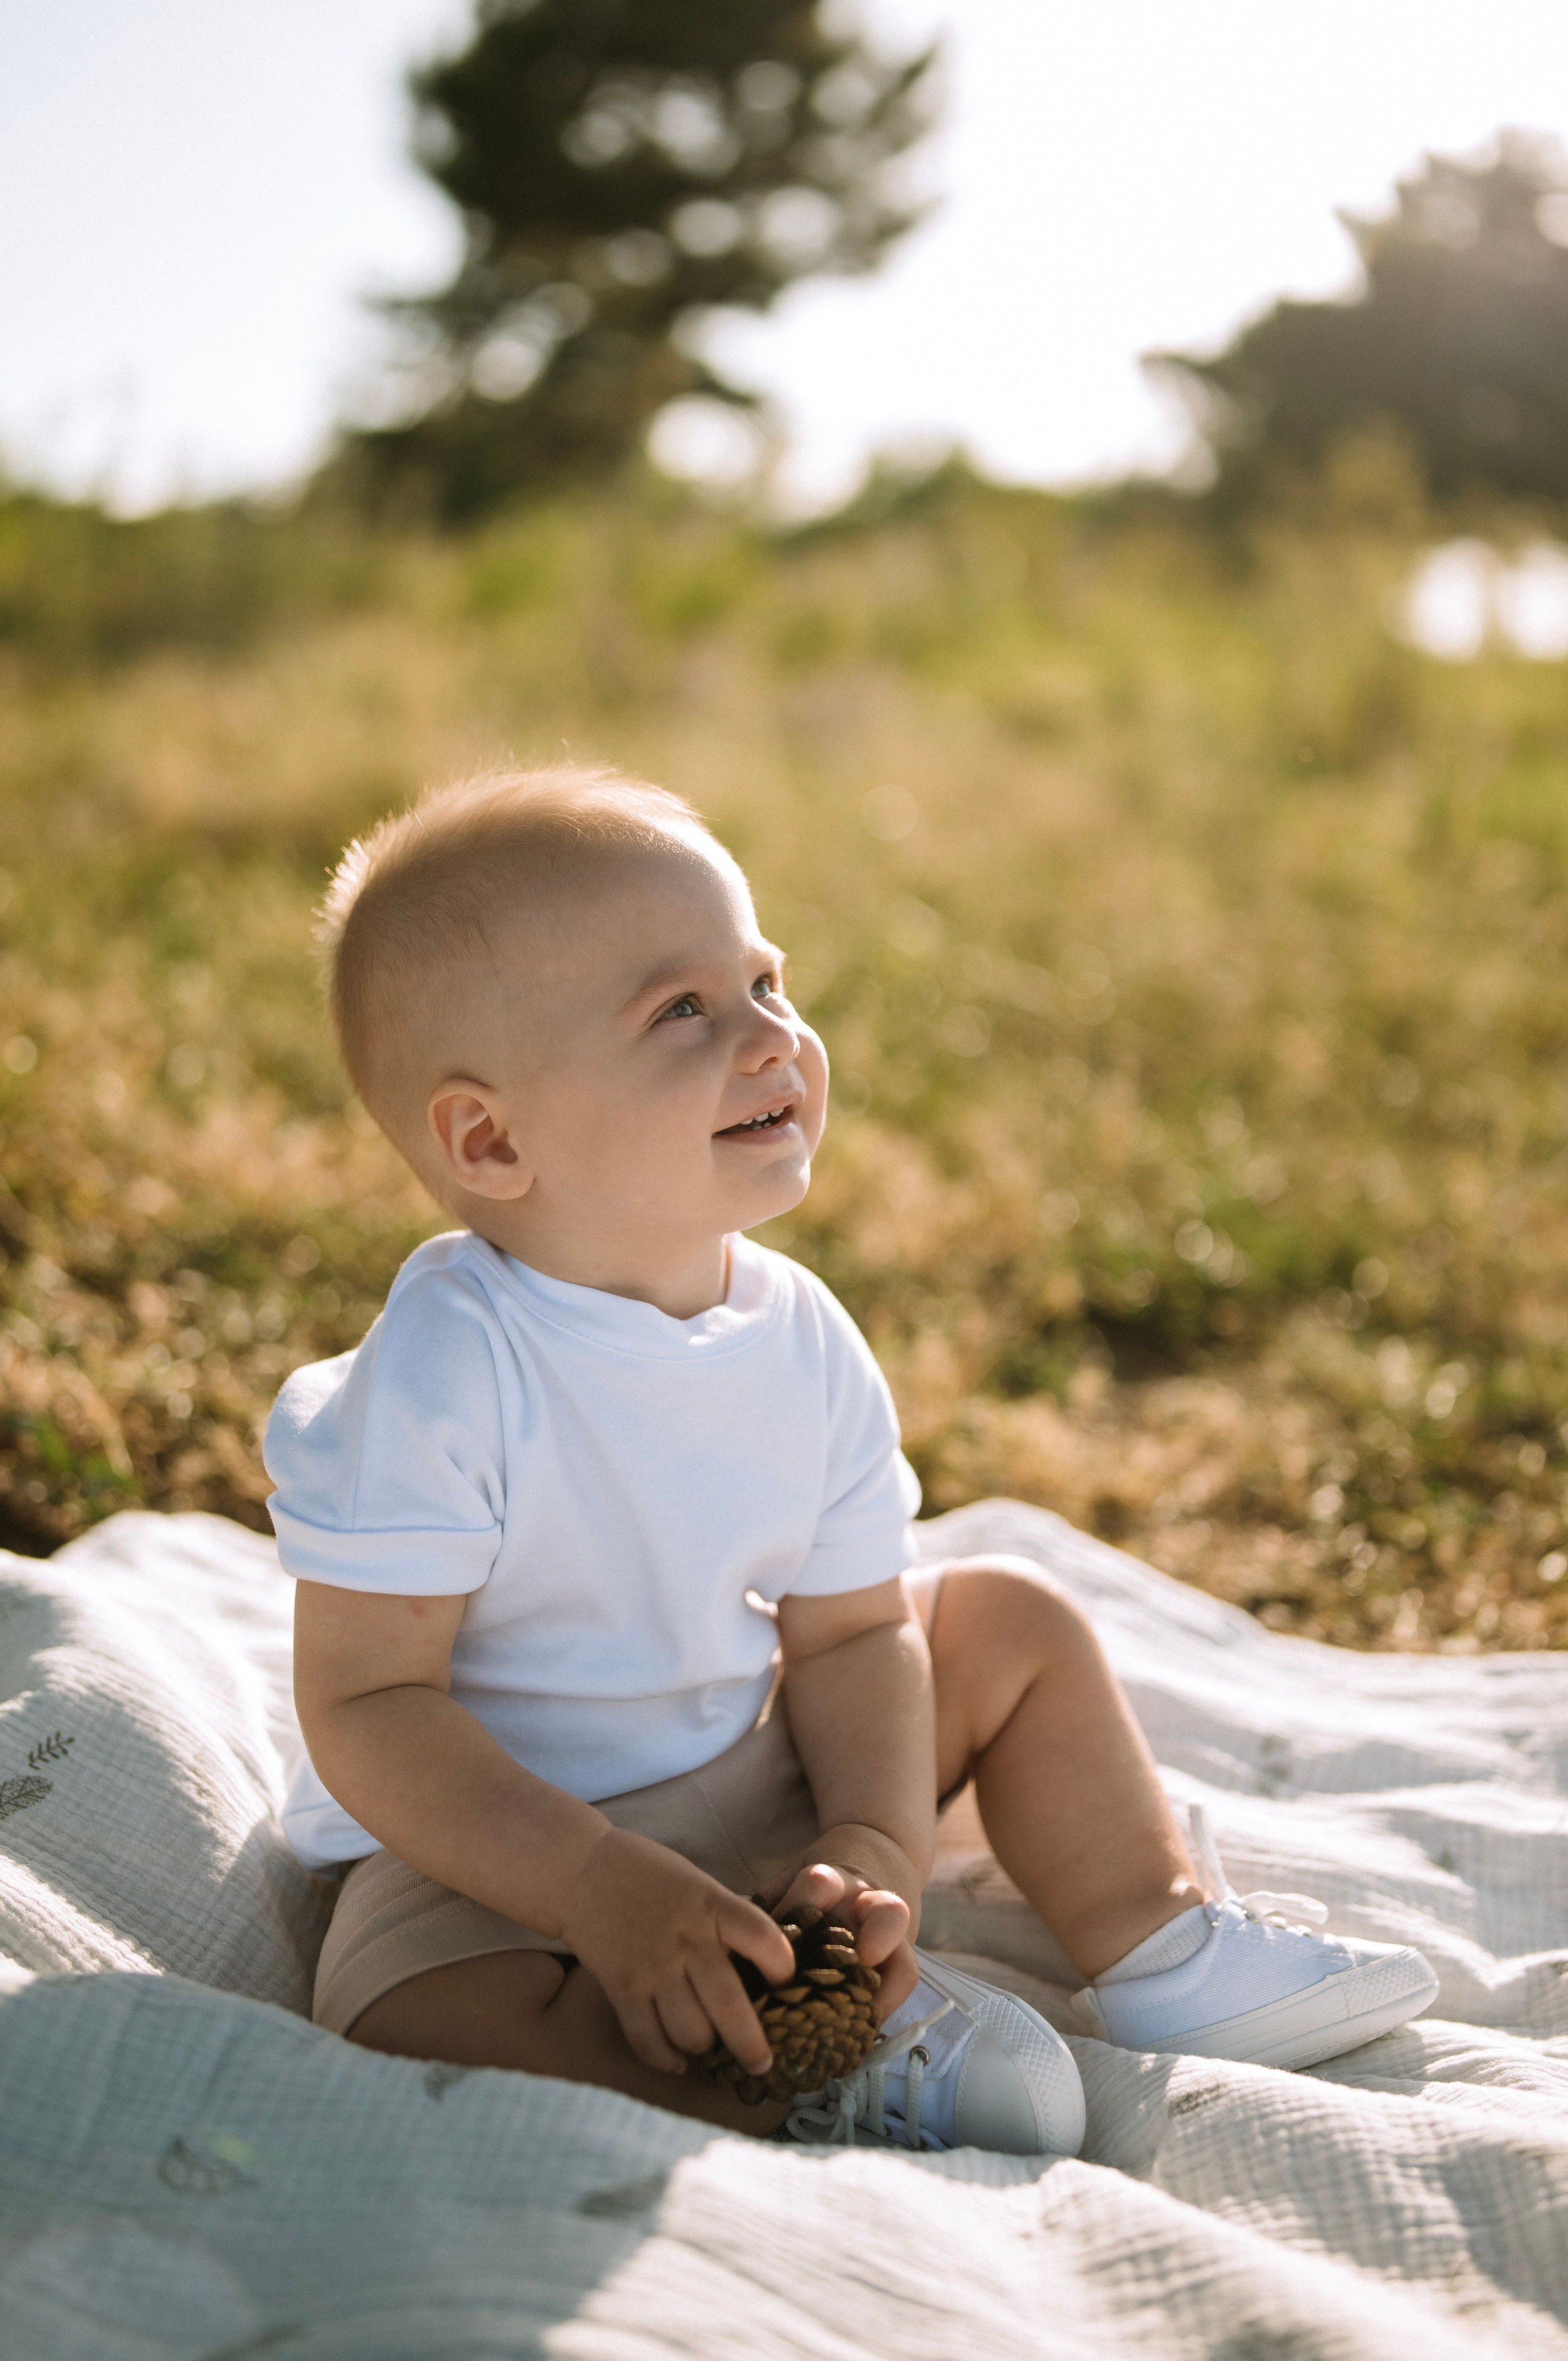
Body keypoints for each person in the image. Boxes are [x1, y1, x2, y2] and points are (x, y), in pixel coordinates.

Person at [269, 765, 1437, 2155]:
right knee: (406, 2007)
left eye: (764, 981)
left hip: (750, 1771)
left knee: (1003, 1616)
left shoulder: (801, 1336)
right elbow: (371, 1707)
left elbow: (853, 1634)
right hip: (507, 1841)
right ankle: (790, 2066)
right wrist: (595, 1888)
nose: (771, 1037)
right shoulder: (447, 1371)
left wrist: (873, 1844)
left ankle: (1153, 1941)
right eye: (682, 1012)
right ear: (492, 1138)